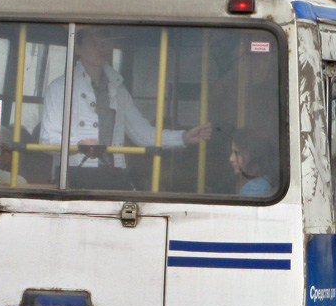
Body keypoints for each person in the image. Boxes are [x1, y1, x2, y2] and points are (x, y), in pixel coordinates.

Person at [39, 26, 211, 187]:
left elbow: (143, 134)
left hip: (113, 176)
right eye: (94, 43)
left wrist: (184, 137)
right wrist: (80, 145)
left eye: (105, 43)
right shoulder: (60, 88)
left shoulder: (118, 90)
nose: (101, 48)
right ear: (77, 48)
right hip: (72, 179)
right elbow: (47, 138)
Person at [229, 129, 276, 196]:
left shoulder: (253, 190)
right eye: (232, 152)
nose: (231, 159)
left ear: (253, 156)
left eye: (237, 153)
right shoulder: (264, 181)